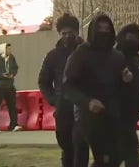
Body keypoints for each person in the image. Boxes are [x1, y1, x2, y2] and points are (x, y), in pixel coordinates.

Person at [63, 13, 133, 166]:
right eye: (100, 28)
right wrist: (87, 102)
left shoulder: (117, 57)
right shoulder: (81, 54)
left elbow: (123, 82)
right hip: (86, 116)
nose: (103, 32)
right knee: (82, 157)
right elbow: (67, 86)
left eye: (107, 29)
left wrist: (127, 79)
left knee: (113, 158)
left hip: (111, 115)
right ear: (93, 30)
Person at [38, 13, 89, 167]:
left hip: (83, 108)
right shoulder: (52, 56)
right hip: (63, 109)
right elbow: (44, 82)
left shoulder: (87, 52)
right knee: (67, 146)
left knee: (81, 145)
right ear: (59, 34)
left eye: (70, 33)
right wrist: (54, 100)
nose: (67, 36)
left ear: (76, 32)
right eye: (63, 33)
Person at [116, 23, 139, 167]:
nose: (133, 40)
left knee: (128, 152)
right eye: (129, 37)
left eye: (135, 37)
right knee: (115, 155)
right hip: (114, 115)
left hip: (132, 115)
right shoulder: (114, 59)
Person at [0, 43, 21, 132]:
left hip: (9, 85)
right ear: (2, 49)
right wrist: (1, 75)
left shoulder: (11, 58)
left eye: (10, 49)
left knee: (12, 106)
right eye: (8, 49)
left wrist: (12, 74)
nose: (10, 51)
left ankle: (14, 125)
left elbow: (15, 67)